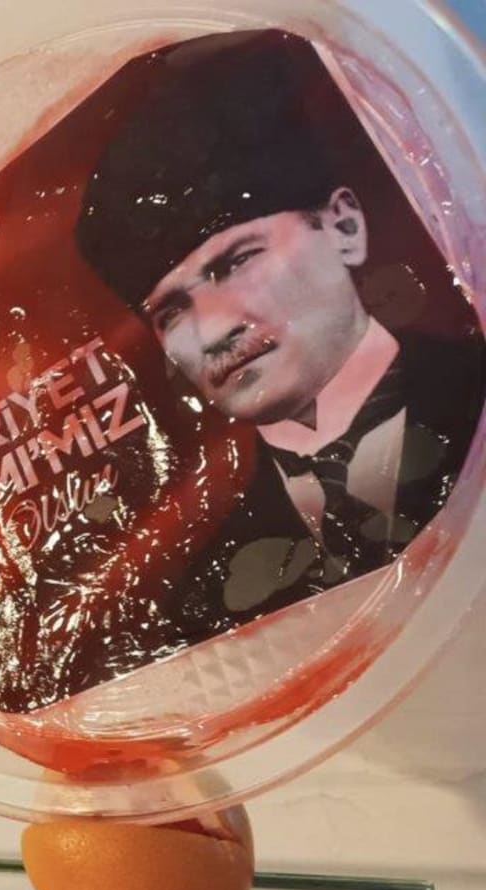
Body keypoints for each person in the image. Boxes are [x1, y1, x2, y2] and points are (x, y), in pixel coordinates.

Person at [73, 29, 484, 628]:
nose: (213, 330)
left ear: (343, 227)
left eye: (237, 262)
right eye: (172, 311)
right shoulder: (208, 607)